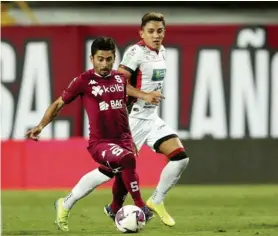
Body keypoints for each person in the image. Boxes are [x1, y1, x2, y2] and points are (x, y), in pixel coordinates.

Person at [25, 37, 159, 231]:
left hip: (123, 139)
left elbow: (123, 101)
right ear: (92, 58)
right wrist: (41, 125)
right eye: (100, 59)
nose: (104, 64)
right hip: (100, 143)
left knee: (113, 171)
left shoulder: (120, 79)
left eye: (109, 59)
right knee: (126, 161)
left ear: (114, 58)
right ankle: (141, 206)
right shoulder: (84, 81)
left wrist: (143, 98)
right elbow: (58, 104)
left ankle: (69, 204)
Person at [106, 12, 190, 227]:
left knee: (180, 157)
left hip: (150, 118)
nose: (156, 35)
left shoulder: (162, 51)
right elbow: (118, 83)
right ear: (141, 33)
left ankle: (156, 200)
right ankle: (98, 205)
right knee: (113, 170)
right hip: (132, 119)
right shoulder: (135, 52)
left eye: (160, 31)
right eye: (151, 31)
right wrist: (144, 95)